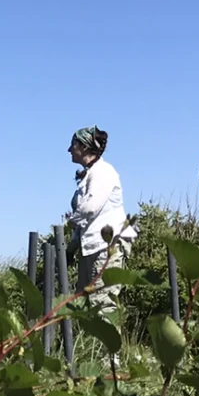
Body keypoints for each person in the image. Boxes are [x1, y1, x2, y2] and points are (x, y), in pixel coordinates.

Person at [66, 125, 135, 302]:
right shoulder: (90, 174)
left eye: (73, 145)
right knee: (86, 306)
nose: (69, 150)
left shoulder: (103, 172)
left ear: (84, 147)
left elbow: (90, 208)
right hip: (91, 248)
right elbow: (86, 220)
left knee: (103, 305)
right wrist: (72, 247)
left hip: (105, 248)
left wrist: (69, 222)